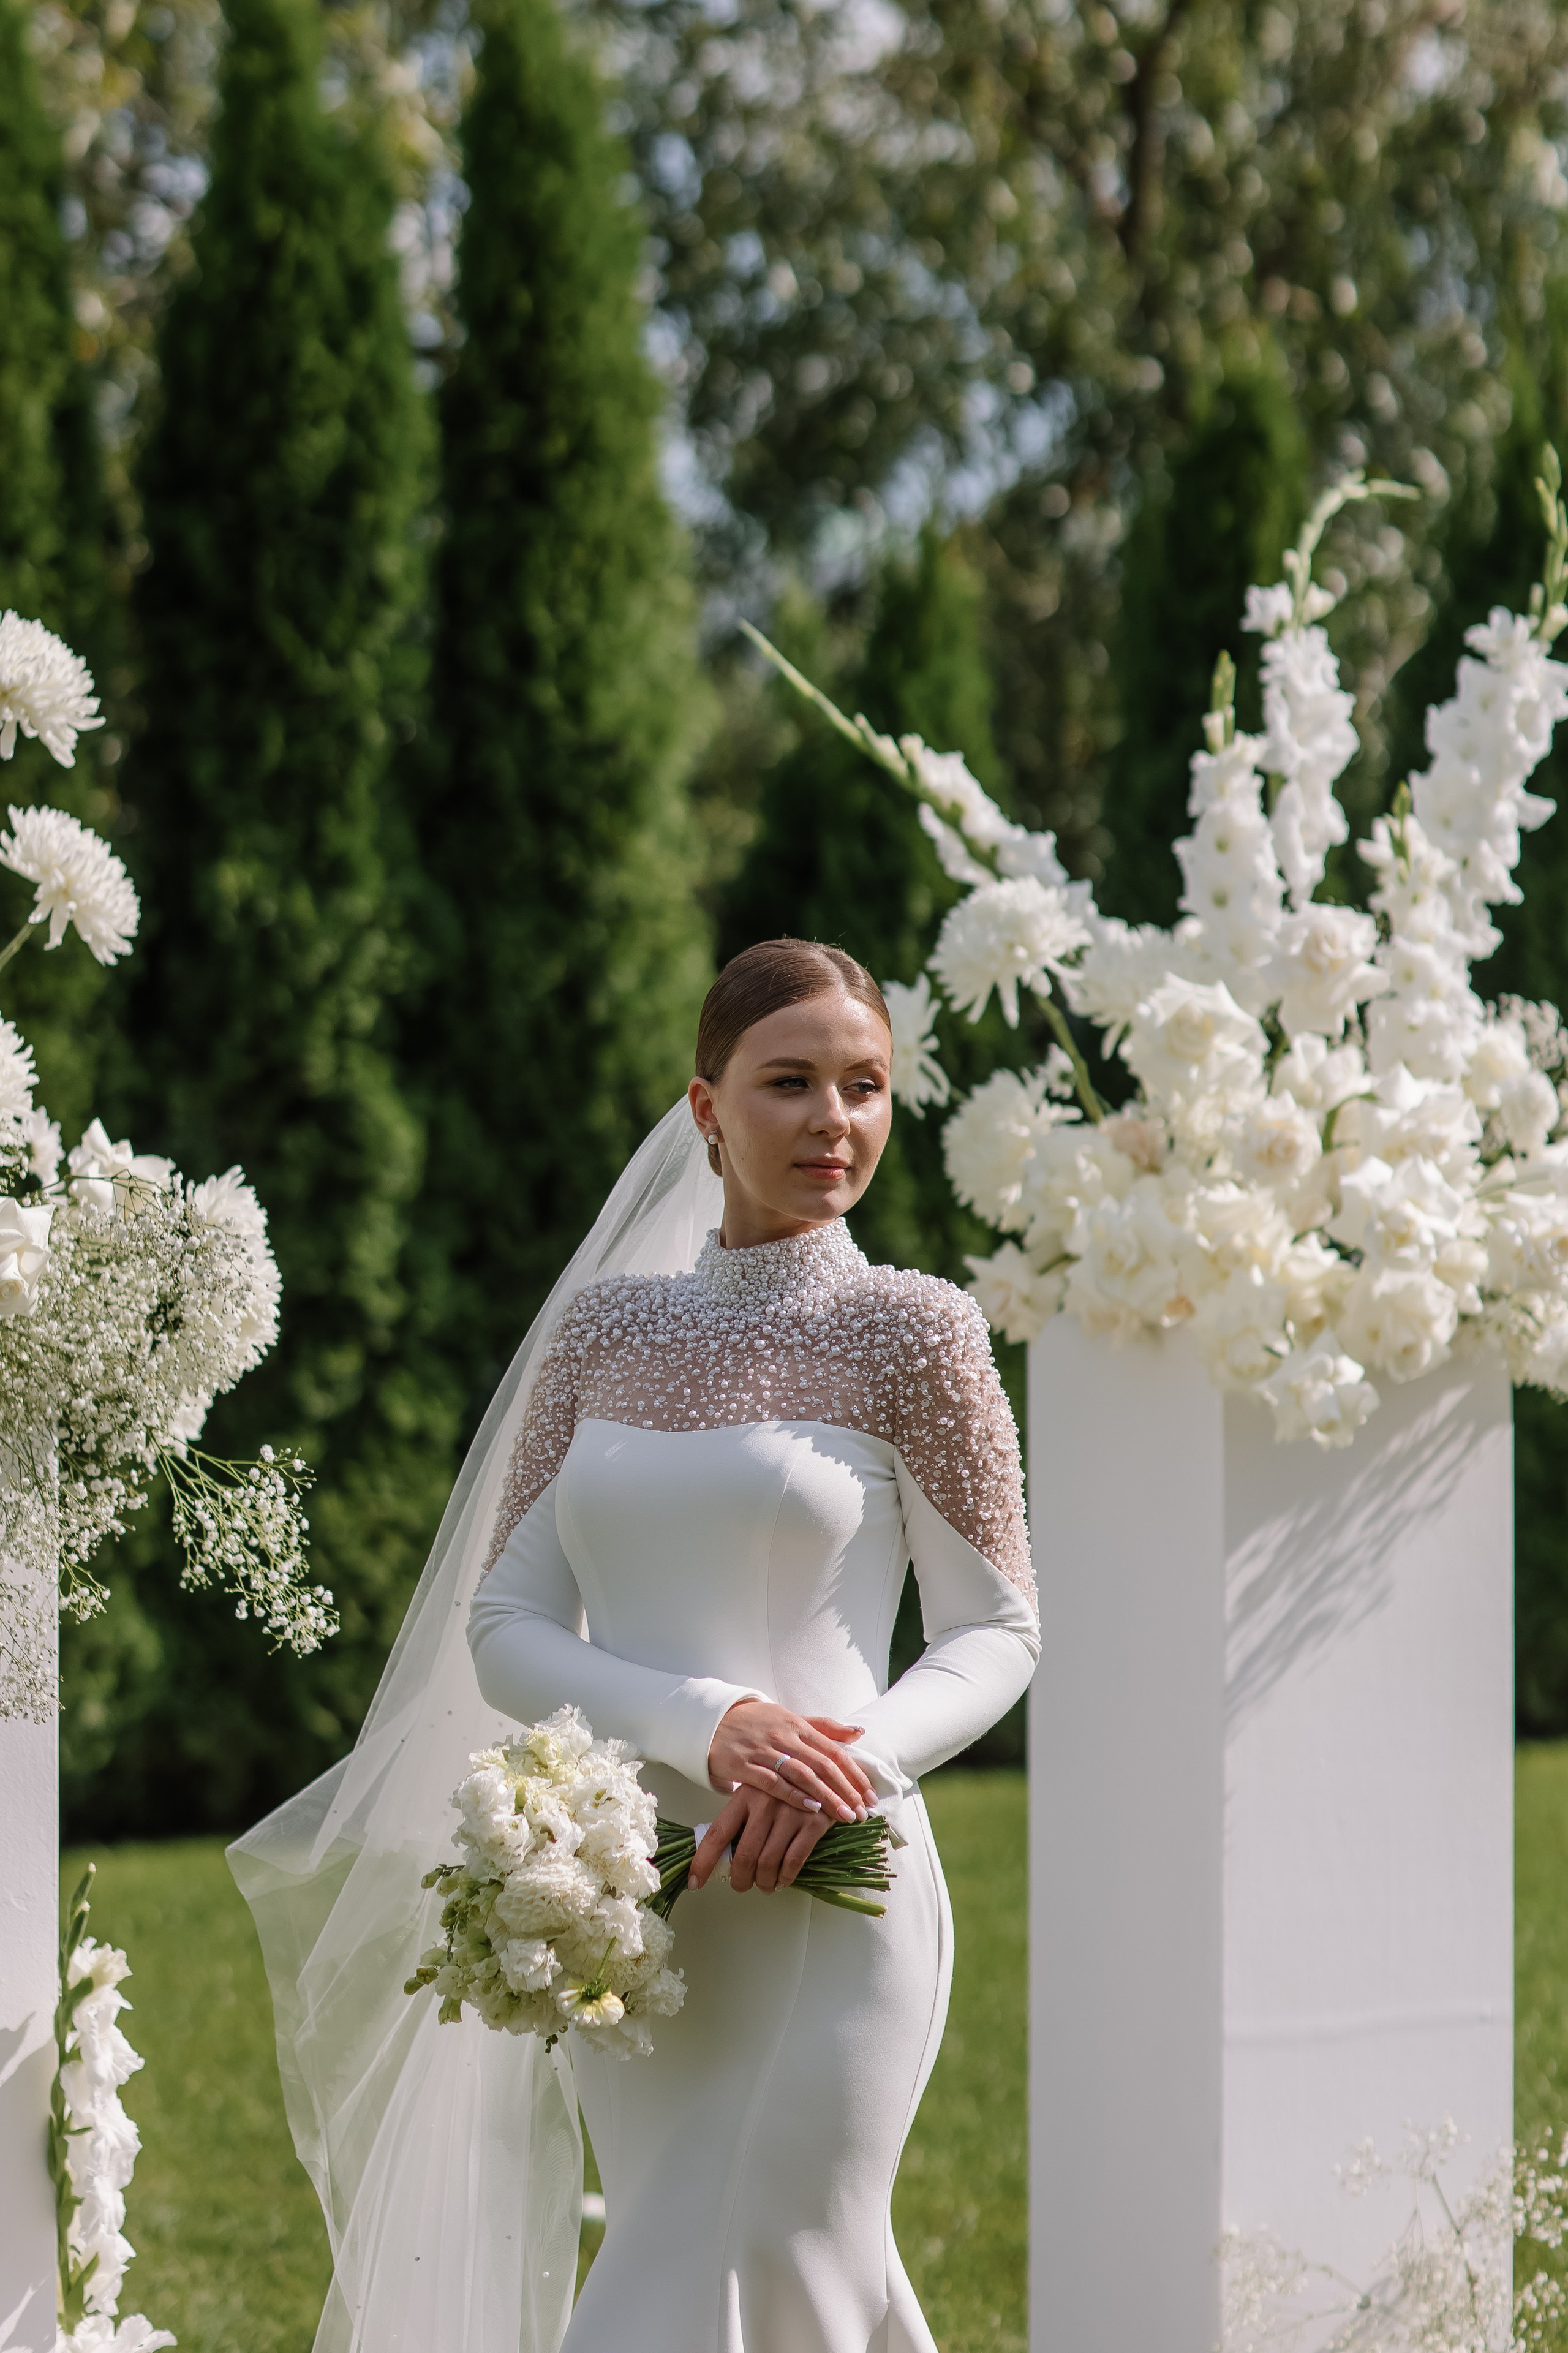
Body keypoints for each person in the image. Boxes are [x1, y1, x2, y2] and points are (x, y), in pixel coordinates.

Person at [229, 935, 1036, 2353]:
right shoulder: (599, 1333)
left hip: (831, 1889)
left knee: (778, 2247)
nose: (832, 1121)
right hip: (627, 1898)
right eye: (789, 1083)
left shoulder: (918, 1331)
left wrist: (830, 1771)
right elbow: (505, 1623)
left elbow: (996, 1630)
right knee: (687, 2232)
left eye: (864, 1086)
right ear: (707, 1107)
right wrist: (704, 1719)